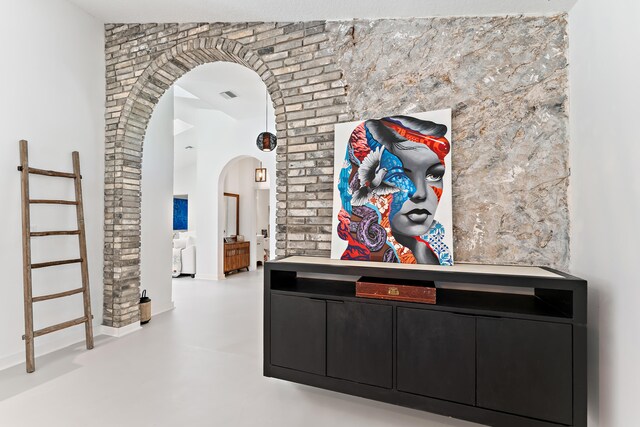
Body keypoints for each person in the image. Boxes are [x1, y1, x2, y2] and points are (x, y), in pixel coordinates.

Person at [336, 115, 453, 265]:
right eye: (399, 176)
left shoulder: (431, 251)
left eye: (433, 176)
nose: (420, 194)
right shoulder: (357, 261)